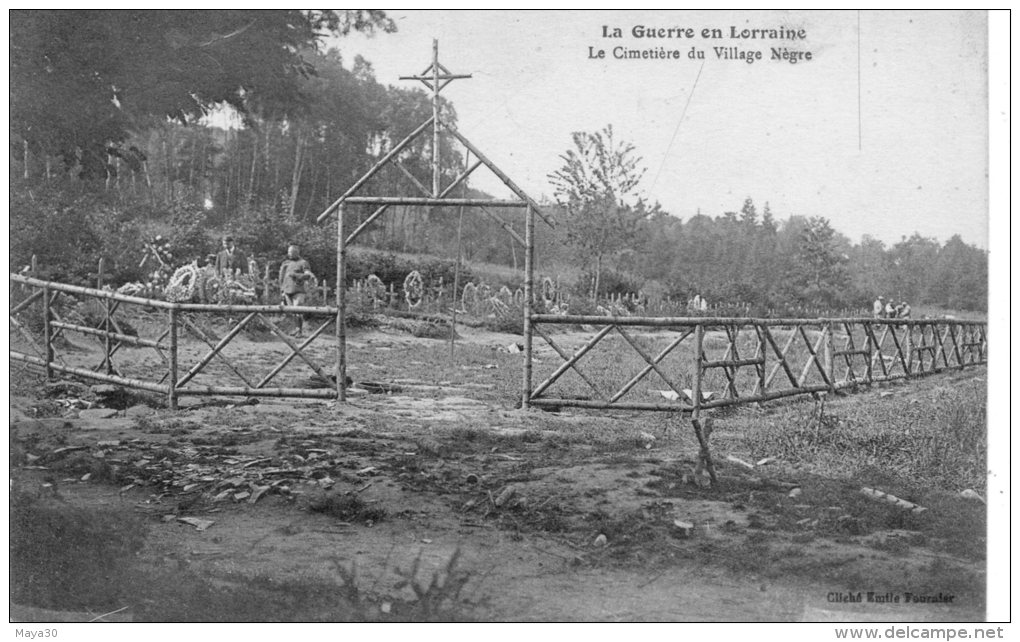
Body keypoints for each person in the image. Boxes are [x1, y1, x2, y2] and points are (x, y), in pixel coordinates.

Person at [278, 244, 316, 337]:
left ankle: (300, 331)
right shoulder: (285, 263)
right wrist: (282, 290)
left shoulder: (303, 262)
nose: (289, 254)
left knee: (298, 309)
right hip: (287, 290)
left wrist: (296, 275)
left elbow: (308, 275)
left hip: (298, 290)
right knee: (292, 312)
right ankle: (296, 329)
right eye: (288, 252)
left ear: (296, 252)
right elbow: (281, 277)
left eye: (291, 252)